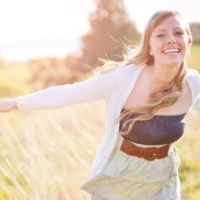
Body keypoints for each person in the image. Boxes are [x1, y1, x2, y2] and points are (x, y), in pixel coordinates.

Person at [0, 10, 200, 200]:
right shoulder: (122, 79)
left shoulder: (192, 84)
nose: (171, 39)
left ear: (188, 41)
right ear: (149, 46)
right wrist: (16, 103)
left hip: (162, 182)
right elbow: (68, 93)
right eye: (161, 35)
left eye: (178, 32)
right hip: (119, 178)